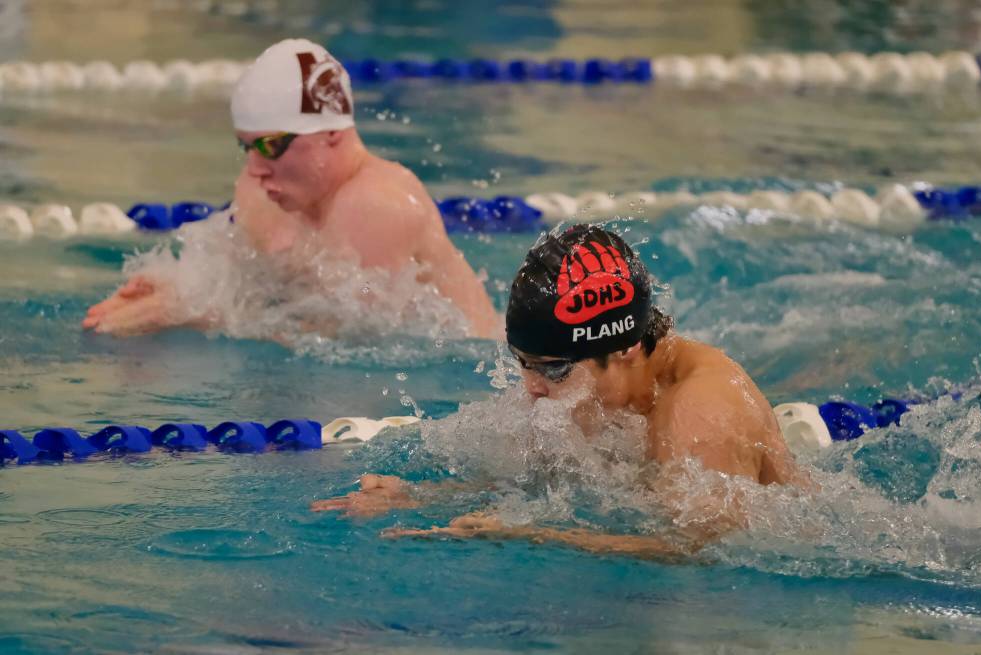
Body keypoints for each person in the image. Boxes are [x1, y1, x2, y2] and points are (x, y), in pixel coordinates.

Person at [312, 224, 808, 558]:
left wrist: (529, 537)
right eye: (523, 365)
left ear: (626, 349)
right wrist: (422, 498)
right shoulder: (616, 393)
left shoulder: (696, 418)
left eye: (552, 370)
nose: (532, 389)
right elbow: (570, 489)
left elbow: (696, 552)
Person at [82, 38, 499, 340]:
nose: (255, 169)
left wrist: (190, 314)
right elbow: (250, 287)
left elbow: (357, 343)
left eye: (270, 146)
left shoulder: (379, 204)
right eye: (246, 146)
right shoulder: (263, 191)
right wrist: (177, 290)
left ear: (333, 133)